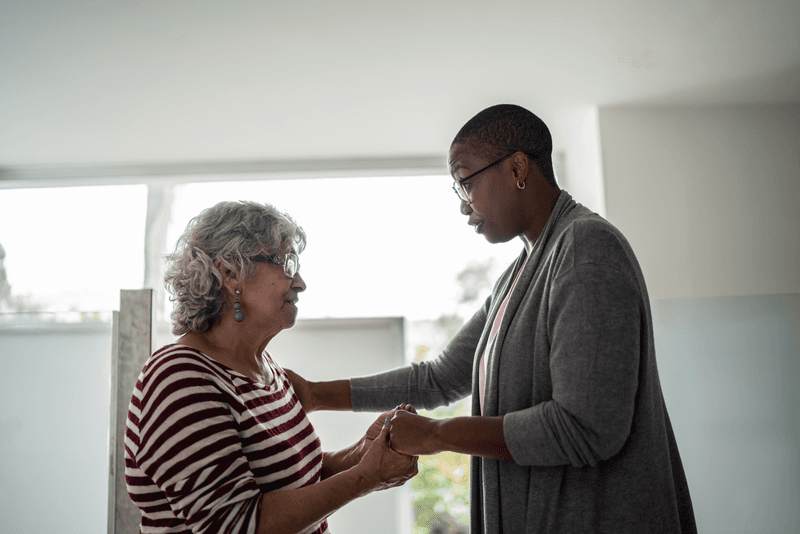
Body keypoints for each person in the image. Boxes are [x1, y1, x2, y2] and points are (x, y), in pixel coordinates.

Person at [287, 104, 697, 533]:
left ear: (518, 167)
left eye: (466, 183)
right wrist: (314, 394)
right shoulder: (517, 277)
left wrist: (434, 435)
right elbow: (439, 379)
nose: (464, 206)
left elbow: (585, 428)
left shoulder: (585, 249)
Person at [124, 200, 418, 534]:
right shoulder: (179, 379)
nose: (300, 282)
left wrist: (363, 452)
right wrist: (366, 477)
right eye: (286, 263)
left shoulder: (266, 370)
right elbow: (240, 525)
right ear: (231, 271)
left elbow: (293, 479)